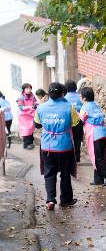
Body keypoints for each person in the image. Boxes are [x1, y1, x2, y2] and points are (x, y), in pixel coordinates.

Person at [34, 82, 80, 210]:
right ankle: (66, 199)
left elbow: (37, 125)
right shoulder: (69, 107)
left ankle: (50, 200)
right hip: (65, 146)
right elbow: (76, 125)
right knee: (65, 173)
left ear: (49, 93)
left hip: (47, 146)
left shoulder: (41, 108)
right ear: (61, 93)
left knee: (49, 173)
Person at [79, 86, 106, 186]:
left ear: (84, 98)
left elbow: (81, 120)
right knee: (100, 156)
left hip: (95, 134)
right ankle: (98, 179)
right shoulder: (96, 105)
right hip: (103, 132)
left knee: (97, 158)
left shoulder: (84, 107)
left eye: (80, 97)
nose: (80, 99)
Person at [65, 80, 83, 162]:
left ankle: (70, 157)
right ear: (75, 87)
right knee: (77, 140)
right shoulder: (80, 96)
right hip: (79, 122)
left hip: (68, 122)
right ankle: (77, 157)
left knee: (69, 139)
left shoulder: (64, 98)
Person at [17, 83, 38, 149]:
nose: (28, 90)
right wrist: (29, 107)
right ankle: (26, 144)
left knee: (31, 129)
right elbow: (21, 107)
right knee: (26, 130)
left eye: (29, 88)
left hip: (31, 115)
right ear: (23, 89)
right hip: (24, 116)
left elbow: (35, 102)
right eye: (27, 88)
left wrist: (36, 104)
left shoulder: (32, 96)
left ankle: (31, 143)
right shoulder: (21, 97)